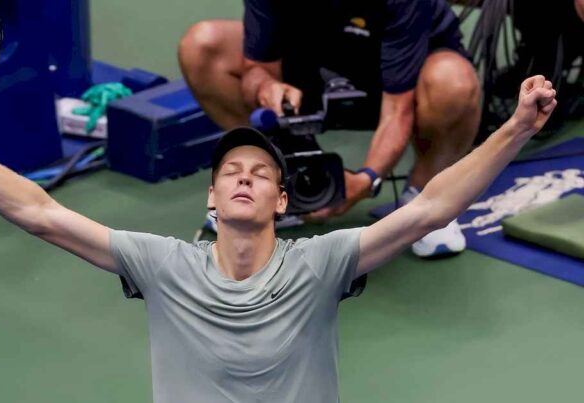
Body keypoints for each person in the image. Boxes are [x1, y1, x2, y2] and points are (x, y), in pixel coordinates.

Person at [0, 76, 556, 403]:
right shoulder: (160, 263)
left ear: (281, 199)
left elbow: (431, 206)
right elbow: (40, 212)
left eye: (259, 173)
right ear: (211, 197)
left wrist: (519, 127)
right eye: (230, 173)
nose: (243, 179)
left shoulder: (321, 261)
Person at [178, 0, 482, 257]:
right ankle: (290, 181)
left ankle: (424, 198)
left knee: (453, 84)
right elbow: (256, 69)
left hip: (402, 83)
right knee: (202, 46)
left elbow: (397, 111)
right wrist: (266, 87)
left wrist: (366, 180)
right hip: (317, 68)